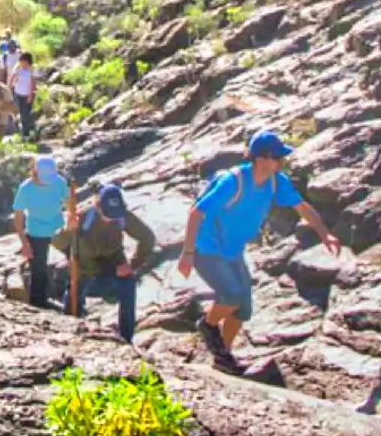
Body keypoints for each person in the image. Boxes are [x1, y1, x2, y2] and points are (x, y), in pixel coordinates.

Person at [177, 130, 341, 374]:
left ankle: (223, 357)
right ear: (262, 158)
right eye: (278, 157)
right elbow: (196, 212)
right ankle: (207, 325)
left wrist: (323, 232)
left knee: (242, 309)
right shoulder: (234, 181)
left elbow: (302, 207)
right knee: (231, 295)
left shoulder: (276, 182)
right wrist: (188, 253)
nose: (282, 162)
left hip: (233, 250)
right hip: (206, 248)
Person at [53, 184, 156, 343]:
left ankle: (126, 338)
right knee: (74, 296)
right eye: (108, 214)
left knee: (129, 285)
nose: (112, 218)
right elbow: (57, 241)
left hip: (113, 269)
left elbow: (147, 237)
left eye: (115, 214)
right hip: (85, 273)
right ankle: (71, 333)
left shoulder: (122, 217)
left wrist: (132, 265)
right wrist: (68, 229)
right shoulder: (83, 217)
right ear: (98, 206)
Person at [12, 156, 71, 308]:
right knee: (38, 272)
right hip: (36, 232)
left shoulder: (59, 182)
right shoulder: (26, 188)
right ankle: (38, 305)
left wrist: (72, 220)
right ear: (35, 172)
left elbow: (70, 203)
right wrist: (24, 243)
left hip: (59, 229)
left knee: (76, 262)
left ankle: (73, 300)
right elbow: (18, 215)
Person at [10, 51, 37, 140]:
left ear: (26, 61)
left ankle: (27, 134)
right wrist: (12, 85)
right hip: (18, 94)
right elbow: (14, 78)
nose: (20, 62)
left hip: (27, 95)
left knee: (25, 115)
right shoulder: (19, 69)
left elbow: (33, 85)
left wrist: (30, 96)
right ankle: (18, 132)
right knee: (16, 113)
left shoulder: (32, 70)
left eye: (22, 60)